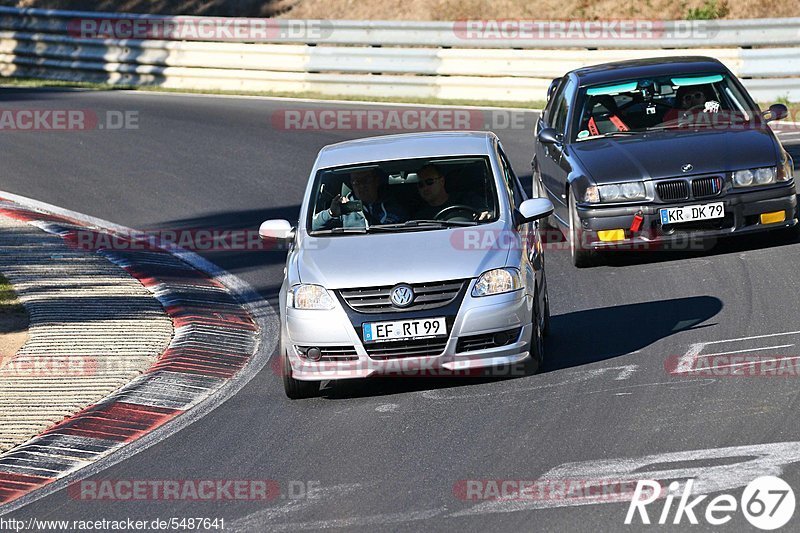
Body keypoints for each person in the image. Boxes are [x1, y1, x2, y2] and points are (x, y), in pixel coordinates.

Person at [311, 168, 406, 230]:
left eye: (365, 180)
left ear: (376, 181)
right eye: (356, 182)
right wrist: (331, 213)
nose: (361, 186)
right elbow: (312, 227)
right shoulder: (344, 208)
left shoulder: (393, 206)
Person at [413, 164, 490, 221]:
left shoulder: (467, 199)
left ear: (442, 181)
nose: (425, 187)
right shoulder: (420, 217)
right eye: (421, 184)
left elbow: (487, 213)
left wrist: (486, 214)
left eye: (429, 182)